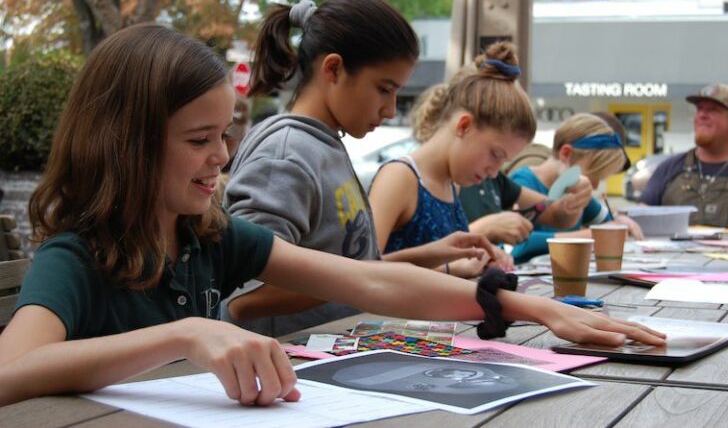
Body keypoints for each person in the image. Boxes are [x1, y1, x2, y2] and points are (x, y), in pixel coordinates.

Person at [0, 24, 666, 407]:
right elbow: (11, 372)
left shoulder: (207, 234)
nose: (223, 157)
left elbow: (369, 280)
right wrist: (184, 334)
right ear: (130, 141)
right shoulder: (76, 255)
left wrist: (527, 309)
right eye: (199, 140)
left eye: (224, 135)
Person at [223, 0, 503, 335]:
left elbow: (352, 270)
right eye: (384, 89)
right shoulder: (285, 155)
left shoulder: (323, 144)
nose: (390, 109)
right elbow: (245, 298)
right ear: (334, 68)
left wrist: (429, 254)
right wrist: (372, 280)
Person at [368, 42, 589, 276]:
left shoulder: (453, 183)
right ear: (464, 126)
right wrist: (449, 268)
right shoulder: (400, 178)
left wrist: (481, 255)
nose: (494, 172)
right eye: (495, 154)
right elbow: (362, 270)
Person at [510, 113, 643, 263]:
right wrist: (588, 236)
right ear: (566, 154)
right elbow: (518, 243)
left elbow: (607, 222)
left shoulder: (576, 192)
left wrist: (620, 221)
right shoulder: (523, 183)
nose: (595, 186)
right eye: (593, 176)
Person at [640, 83, 728, 230]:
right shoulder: (669, 168)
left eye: (713, 110)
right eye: (699, 109)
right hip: (673, 253)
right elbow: (642, 217)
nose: (702, 115)